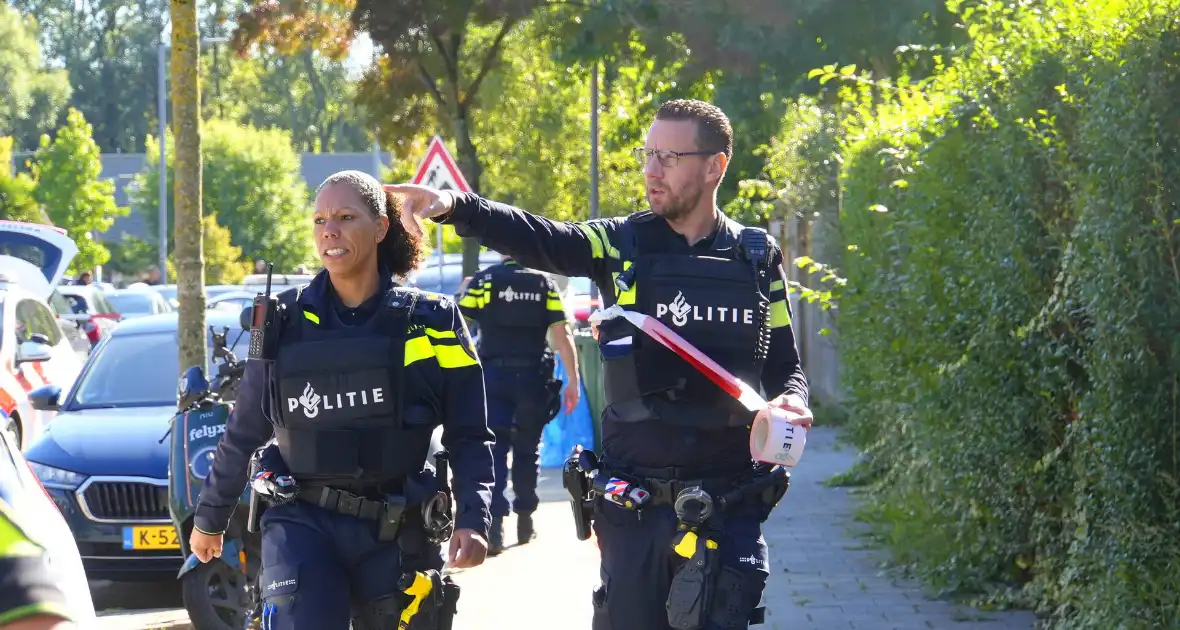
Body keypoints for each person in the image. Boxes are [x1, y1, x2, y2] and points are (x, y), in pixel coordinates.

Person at [389, 99, 813, 630]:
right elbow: (542, 236)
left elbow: (785, 367)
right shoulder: (622, 243)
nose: (651, 170)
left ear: (714, 167)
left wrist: (792, 400)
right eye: (648, 153)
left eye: (669, 156)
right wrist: (455, 205)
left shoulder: (756, 255)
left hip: (727, 505)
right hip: (634, 508)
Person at [189, 170, 495, 629]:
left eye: (346, 217)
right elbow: (246, 427)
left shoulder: (432, 319)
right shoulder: (280, 322)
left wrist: (475, 518)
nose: (329, 230)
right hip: (302, 525)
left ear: (380, 228)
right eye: (319, 220)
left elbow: (470, 432)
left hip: (399, 529)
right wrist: (210, 517)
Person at [457, 253, 581, 555]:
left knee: (494, 451)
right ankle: (525, 521)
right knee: (527, 450)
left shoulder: (485, 280)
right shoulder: (543, 283)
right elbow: (562, 334)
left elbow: (459, 327)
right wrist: (573, 381)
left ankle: (495, 528)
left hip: (493, 378)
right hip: (532, 379)